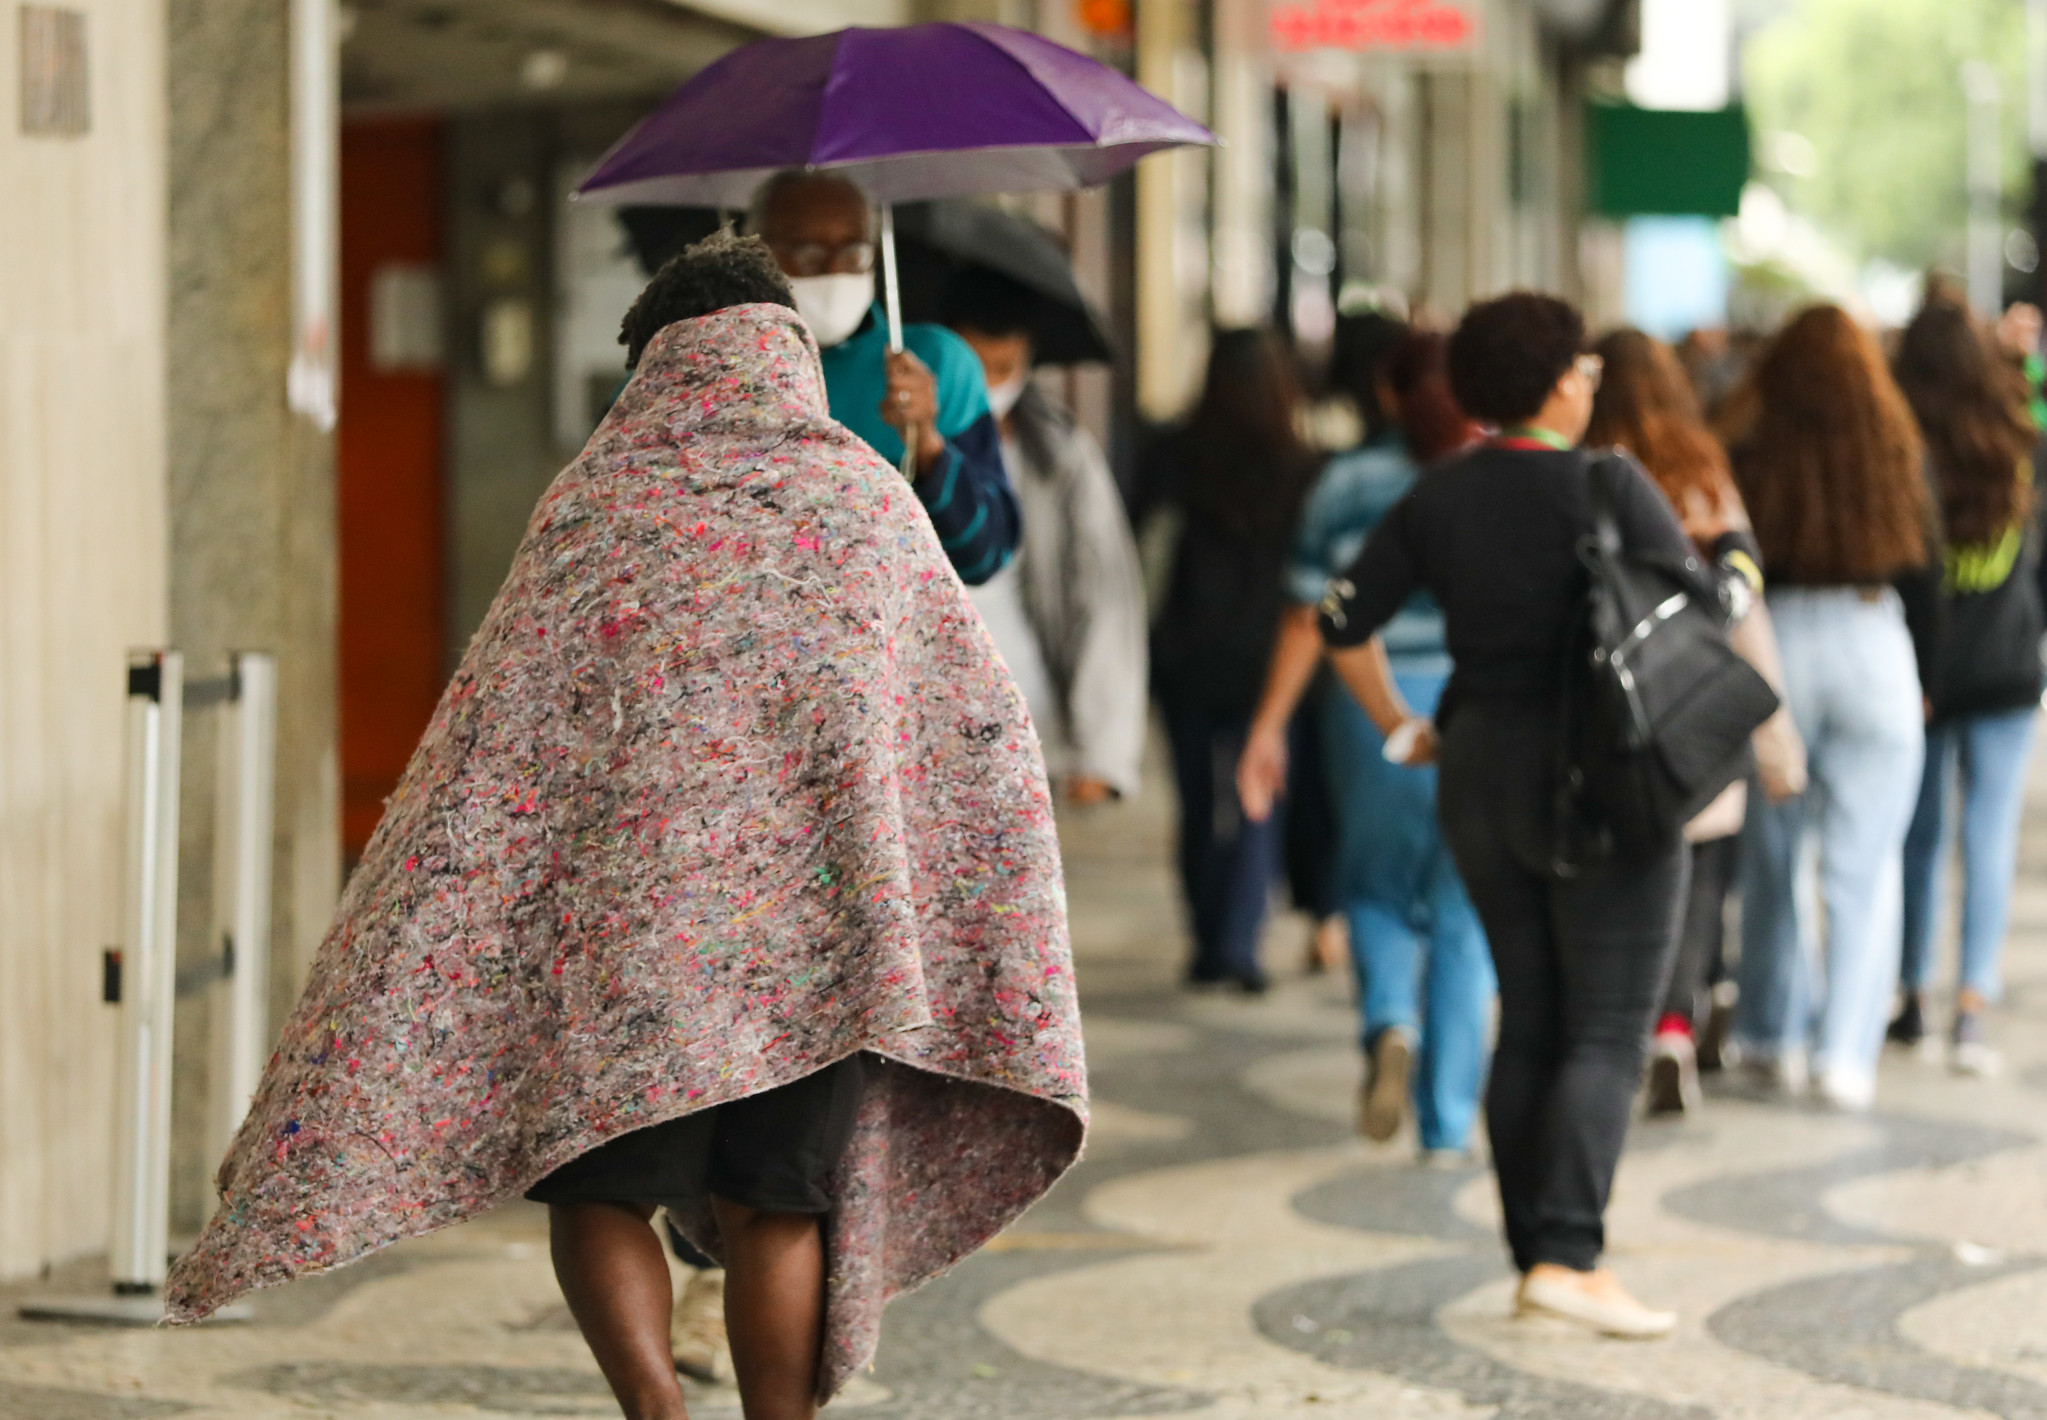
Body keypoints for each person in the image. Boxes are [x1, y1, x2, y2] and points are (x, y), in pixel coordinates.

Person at [164, 234, 1088, 1420]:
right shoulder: (867, 502)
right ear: (790, 357)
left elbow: (493, 745)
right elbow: (976, 727)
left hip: (620, 952)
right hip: (814, 948)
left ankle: (653, 1407)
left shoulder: (591, 504)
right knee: (777, 1206)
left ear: (654, 364)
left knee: (600, 1192)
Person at [1313, 292, 1749, 1338]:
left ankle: (1535, 1256)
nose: (1593, 382)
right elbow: (1705, 611)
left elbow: (1340, 617)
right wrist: (1735, 554)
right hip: (1605, 780)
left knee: (1533, 1019)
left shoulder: (1438, 497)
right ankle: (1568, 1255)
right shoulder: (1608, 484)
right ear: (1560, 381)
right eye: (1586, 369)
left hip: (1478, 770)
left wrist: (1400, 723)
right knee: (1605, 1026)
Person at [1238, 330, 1495, 1159]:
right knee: (1463, 910)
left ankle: (1389, 1017)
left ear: (1389, 394)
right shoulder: (1496, 480)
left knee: (1375, 889)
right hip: (1476, 706)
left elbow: (1307, 613)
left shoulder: (1345, 482)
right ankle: (1447, 1120)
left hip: (1368, 705)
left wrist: (1268, 724)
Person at [1584, 328, 1807, 1115]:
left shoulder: (1579, 468)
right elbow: (1743, 600)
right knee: (1702, 878)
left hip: (1604, 705)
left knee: (1617, 877)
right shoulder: (1698, 465)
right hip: (1695, 702)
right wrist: (1770, 718)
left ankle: (1621, 1027)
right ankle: (1674, 1024)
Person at [1725, 303, 1938, 1112]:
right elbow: (1930, 565)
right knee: (1864, 863)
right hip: (1870, 631)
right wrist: (1929, 673)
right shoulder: (1893, 442)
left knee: (1774, 857)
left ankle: (1770, 1033)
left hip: (1772, 640)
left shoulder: (1753, 442)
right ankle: (1844, 1054)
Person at [1133, 329, 1322, 992]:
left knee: (1194, 800)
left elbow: (1141, 542)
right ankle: (1239, 941)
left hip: (1186, 653)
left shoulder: (1174, 451)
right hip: (1269, 660)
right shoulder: (1302, 465)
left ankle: (1208, 940)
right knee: (1256, 794)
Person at [1890, 296, 2042, 1074]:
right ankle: (1972, 1005)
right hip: (2010, 664)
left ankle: (1912, 993)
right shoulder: (2017, 437)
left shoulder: (1902, 445)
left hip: (1928, 670)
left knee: (1921, 834)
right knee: (1987, 837)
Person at [941, 265, 1148, 804]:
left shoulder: (1058, 455)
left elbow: (1101, 595)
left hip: (1027, 714)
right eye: (974, 367)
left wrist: (1100, 748)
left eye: (1004, 366)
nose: (990, 383)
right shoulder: (907, 445)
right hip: (932, 715)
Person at [751, 170, 1018, 585]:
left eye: (854, 252)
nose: (834, 271)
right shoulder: (701, 370)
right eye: (806, 254)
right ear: (756, 250)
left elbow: (984, 557)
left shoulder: (935, 364)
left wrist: (927, 444)